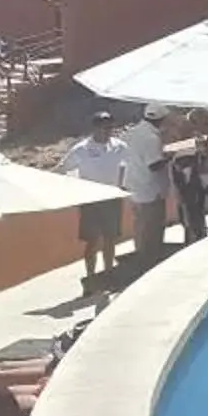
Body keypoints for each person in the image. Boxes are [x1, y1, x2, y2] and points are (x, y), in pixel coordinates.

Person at [60, 111, 126, 298]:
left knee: (110, 239)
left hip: (112, 198)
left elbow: (129, 163)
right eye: (105, 128)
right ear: (96, 128)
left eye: (111, 128)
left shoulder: (119, 146)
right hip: (91, 200)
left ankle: (109, 276)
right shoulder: (82, 149)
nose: (109, 132)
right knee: (92, 241)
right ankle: (90, 280)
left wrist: (122, 184)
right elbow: (63, 168)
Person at [117, 108, 170, 268]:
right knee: (152, 229)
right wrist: (169, 158)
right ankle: (150, 263)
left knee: (139, 226)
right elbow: (154, 165)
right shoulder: (151, 138)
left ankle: (141, 257)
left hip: (133, 187)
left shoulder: (129, 133)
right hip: (150, 190)